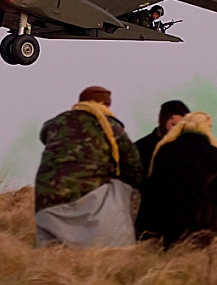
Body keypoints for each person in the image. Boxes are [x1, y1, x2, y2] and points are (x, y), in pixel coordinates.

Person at [33, 86, 143, 248]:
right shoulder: (109, 126)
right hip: (88, 195)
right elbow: (132, 164)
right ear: (106, 105)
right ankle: (116, 247)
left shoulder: (57, 123)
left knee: (51, 246)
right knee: (124, 189)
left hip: (46, 197)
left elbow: (44, 135)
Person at [136, 111, 217, 247]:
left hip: (168, 235)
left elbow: (152, 193)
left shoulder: (163, 152)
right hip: (206, 235)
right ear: (206, 128)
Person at [134, 100, 190, 177]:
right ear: (162, 121)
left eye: (181, 126)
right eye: (174, 125)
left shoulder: (188, 148)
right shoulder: (141, 148)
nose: (177, 129)